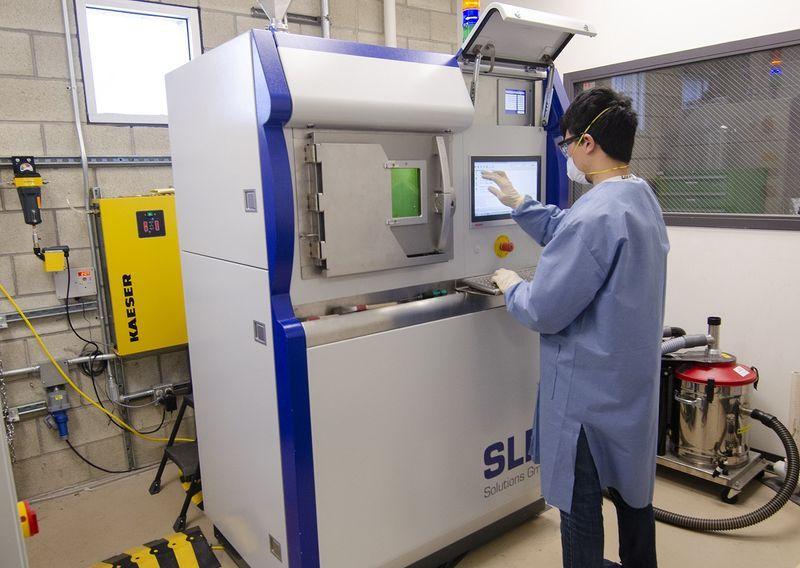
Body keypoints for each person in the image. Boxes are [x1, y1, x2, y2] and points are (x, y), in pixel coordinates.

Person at [482, 87, 669, 568]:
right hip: (629, 386)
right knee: (633, 495)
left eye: (566, 144)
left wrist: (512, 286)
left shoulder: (598, 214)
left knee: (579, 504)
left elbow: (544, 309)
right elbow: (575, 231)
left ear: (587, 143)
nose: (566, 154)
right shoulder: (638, 196)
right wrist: (521, 203)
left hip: (587, 393)